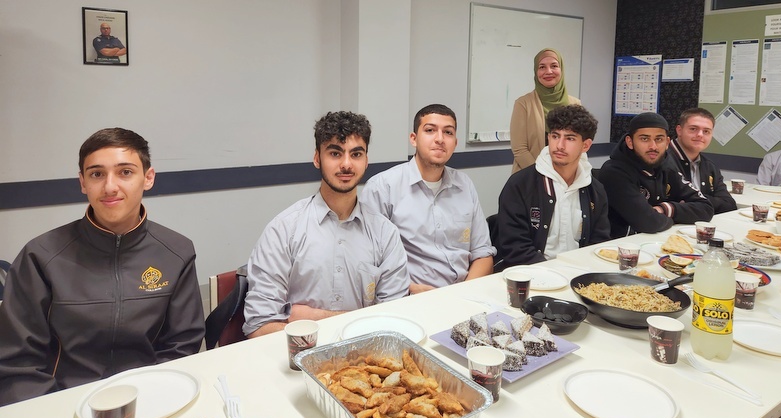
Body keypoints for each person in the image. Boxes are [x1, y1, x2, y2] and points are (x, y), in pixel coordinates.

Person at [0, 128, 205, 407]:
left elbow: (181, 346)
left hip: (148, 399)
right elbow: (17, 363)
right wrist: (54, 412)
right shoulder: (40, 256)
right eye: (97, 174)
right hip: (61, 403)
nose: (110, 187)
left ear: (148, 178)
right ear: (83, 182)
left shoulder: (176, 251)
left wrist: (153, 399)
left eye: (125, 172)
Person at [243, 111, 410, 337]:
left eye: (356, 154)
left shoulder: (385, 234)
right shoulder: (283, 230)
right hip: (300, 356)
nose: (346, 164)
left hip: (364, 356)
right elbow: (258, 327)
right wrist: (360, 322)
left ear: (366, 161)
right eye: (335, 153)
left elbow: (392, 323)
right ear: (317, 158)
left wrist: (315, 317)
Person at [361, 104, 495, 293]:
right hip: (410, 297)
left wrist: (463, 293)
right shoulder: (383, 187)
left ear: (455, 142)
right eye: (430, 130)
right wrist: (410, 290)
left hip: (464, 293)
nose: (440, 139)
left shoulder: (464, 185)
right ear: (413, 139)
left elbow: (483, 253)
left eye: (448, 132)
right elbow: (368, 263)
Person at [496, 105, 610, 267]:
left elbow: (598, 244)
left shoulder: (595, 190)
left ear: (586, 145)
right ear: (548, 138)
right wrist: (554, 272)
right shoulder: (520, 185)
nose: (560, 145)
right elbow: (515, 248)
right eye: (555, 136)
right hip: (532, 273)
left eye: (570, 138)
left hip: (579, 272)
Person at [597, 112, 714, 238]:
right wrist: (675, 218)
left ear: (667, 142)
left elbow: (706, 208)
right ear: (630, 142)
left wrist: (665, 209)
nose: (653, 146)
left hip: (657, 240)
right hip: (620, 245)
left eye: (659, 139)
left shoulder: (667, 167)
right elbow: (648, 222)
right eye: (644, 139)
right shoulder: (614, 171)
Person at [510, 48, 581, 174]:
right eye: (542, 67)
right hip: (531, 176)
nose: (548, 71)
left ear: (561, 69)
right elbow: (520, 150)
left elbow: (578, 145)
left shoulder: (575, 104)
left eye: (554, 66)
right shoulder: (523, 104)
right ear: (536, 72)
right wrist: (544, 175)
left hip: (566, 176)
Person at [666, 108, 736, 214]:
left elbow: (728, 205)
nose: (700, 134)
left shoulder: (710, 167)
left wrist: (694, 202)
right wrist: (705, 203)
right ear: (679, 130)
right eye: (693, 129)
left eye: (706, 131)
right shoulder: (662, 160)